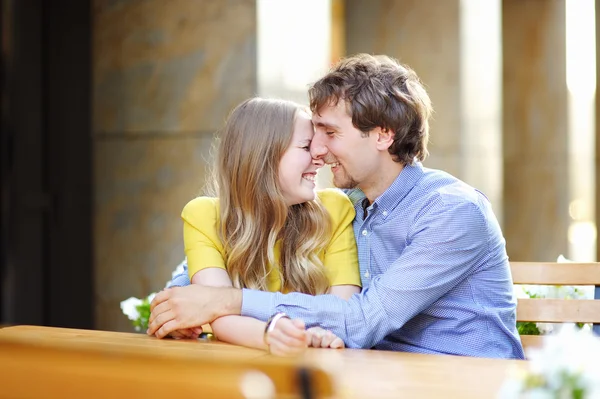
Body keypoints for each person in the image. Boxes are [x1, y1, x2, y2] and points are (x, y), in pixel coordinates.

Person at [148, 54, 525, 359]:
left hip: (464, 378)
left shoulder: (452, 212)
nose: (319, 149)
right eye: (314, 135)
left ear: (382, 135)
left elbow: (361, 321)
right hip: (375, 372)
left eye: (330, 133)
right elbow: (210, 261)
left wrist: (224, 301)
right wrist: (180, 307)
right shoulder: (349, 207)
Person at [162, 97, 361, 356]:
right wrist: (273, 334)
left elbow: (342, 309)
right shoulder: (203, 215)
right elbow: (216, 309)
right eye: (305, 147)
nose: (319, 158)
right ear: (265, 157)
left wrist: (298, 335)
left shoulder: (335, 208)